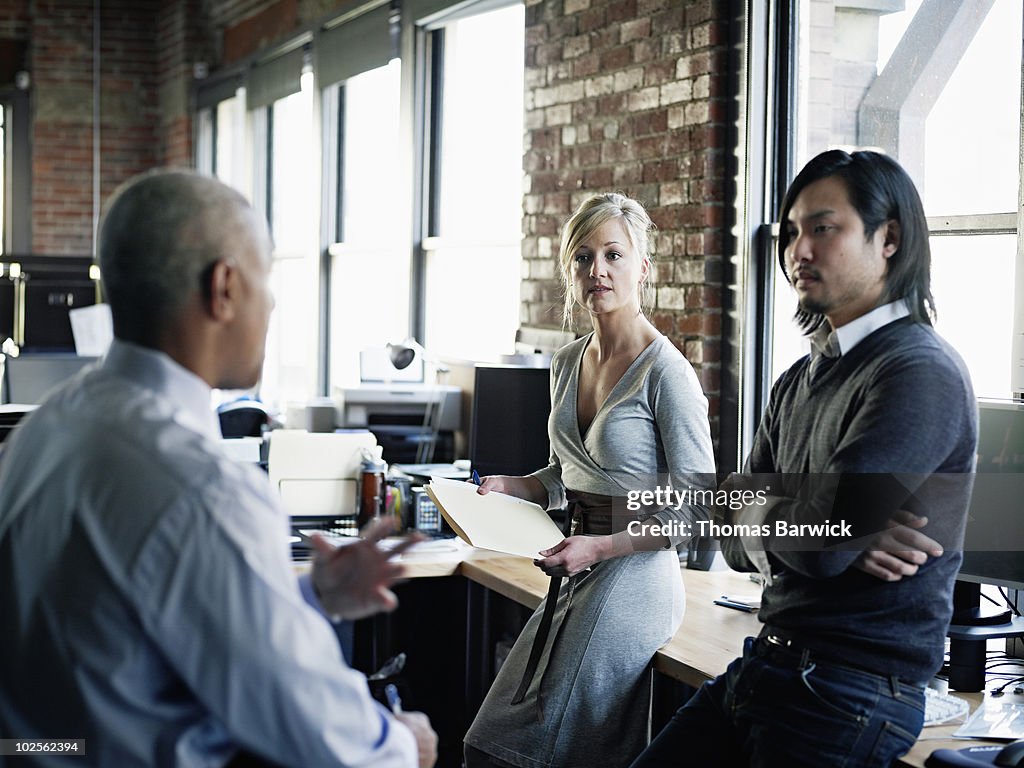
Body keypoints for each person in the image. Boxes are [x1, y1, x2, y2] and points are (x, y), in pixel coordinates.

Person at [0, 169, 438, 768]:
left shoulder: (46, 428)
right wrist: (400, 743)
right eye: (268, 280)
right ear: (224, 287)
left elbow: (130, 614)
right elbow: (317, 733)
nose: (274, 303)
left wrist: (312, 591)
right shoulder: (202, 489)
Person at [631, 149, 978, 768]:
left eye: (824, 228)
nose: (798, 251)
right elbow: (733, 535)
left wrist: (813, 522)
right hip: (768, 662)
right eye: (792, 232)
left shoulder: (916, 371)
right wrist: (812, 519)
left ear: (889, 238)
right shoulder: (799, 379)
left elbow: (826, 543)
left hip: (849, 691)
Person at [463, 193, 717, 768]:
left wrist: (600, 545)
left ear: (643, 267)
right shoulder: (567, 361)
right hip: (576, 567)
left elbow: (698, 507)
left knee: (529, 753)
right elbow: (565, 472)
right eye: (582, 258)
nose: (596, 271)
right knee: (485, 742)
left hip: (634, 575)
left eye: (612, 254)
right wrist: (520, 486)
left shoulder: (667, 373)